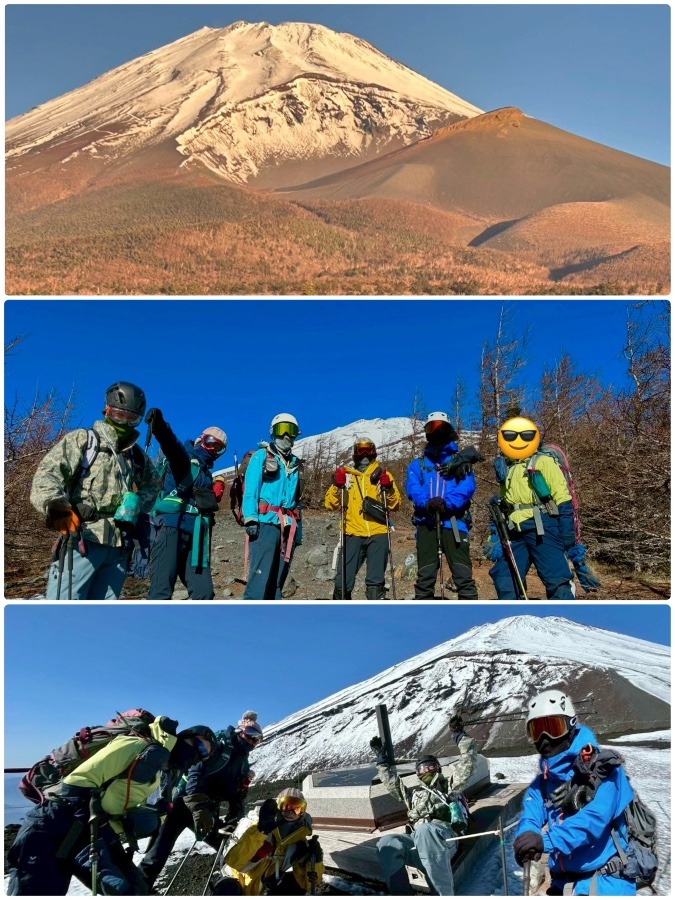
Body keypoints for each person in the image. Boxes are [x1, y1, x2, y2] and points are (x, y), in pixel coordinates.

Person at [7, 718, 215, 896]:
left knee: (134, 890)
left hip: (94, 831)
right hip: (53, 825)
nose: (197, 754)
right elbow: (77, 782)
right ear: (184, 737)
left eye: (203, 754)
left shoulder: (164, 773)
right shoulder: (138, 746)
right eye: (197, 745)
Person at [30, 381, 159, 600]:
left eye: (132, 419)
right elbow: (47, 475)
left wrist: (138, 501)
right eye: (119, 415)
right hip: (82, 540)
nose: (125, 423)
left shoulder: (135, 455)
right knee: (63, 607)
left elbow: (154, 484)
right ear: (107, 410)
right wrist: (55, 505)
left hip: (120, 547)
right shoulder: (83, 440)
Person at [514, 688, 636, 896]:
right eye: (537, 731)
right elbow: (531, 813)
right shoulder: (543, 783)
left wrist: (546, 841)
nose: (545, 739)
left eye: (553, 727)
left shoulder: (604, 770)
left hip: (606, 881)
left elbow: (594, 819)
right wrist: (526, 835)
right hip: (562, 884)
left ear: (571, 726)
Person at [139, 712, 263, 891]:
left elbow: (236, 792)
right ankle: (137, 889)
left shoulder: (242, 762)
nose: (252, 740)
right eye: (250, 733)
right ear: (240, 730)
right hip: (185, 803)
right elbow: (195, 774)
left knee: (224, 846)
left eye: (257, 738)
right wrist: (199, 809)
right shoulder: (220, 746)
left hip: (206, 808)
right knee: (160, 850)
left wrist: (234, 814)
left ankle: (230, 887)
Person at [487, 416, 575, 599]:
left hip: (542, 527)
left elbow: (562, 497)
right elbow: (506, 502)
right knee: (505, 577)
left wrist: (566, 533)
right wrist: (495, 532)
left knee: (556, 578)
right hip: (513, 530)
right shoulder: (508, 469)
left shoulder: (543, 462)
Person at [144, 407, 227, 600]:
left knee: (204, 593)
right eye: (210, 442)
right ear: (201, 439)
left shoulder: (206, 472)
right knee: (161, 592)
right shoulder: (186, 457)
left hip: (197, 536)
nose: (213, 449)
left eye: (219, 447)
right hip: (172, 527)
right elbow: (171, 446)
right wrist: (160, 427)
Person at [370, 737, 464, 895]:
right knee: (387, 843)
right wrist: (381, 760)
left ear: (438, 768)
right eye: (423, 768)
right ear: (418, 773)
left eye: (431, 766)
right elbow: (392, 782)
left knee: (426, 830)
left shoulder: (450, 788)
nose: (427, 770)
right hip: (417, 842)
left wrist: (460, 736)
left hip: (445, 841)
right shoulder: (413, 795)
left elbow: (467, 765)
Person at [405, 412, 481, 599]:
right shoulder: (418, 464)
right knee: (425, 576)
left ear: (449, 431)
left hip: (455, 522)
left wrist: (447, 503)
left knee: (463, 575)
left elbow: (467, 488)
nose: (436, 432)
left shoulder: (461, 462)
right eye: (431, 427)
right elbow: (413, 488)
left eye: (441, 427)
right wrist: (428, 503)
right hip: (427, 522)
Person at [324, 437, 401, 599]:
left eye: (369, 450)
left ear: (374, 452)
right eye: (360, 450)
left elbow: (395, 504)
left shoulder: (383, 474)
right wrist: (338, 486)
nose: (365, 455)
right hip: (352, 532)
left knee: (375, 581)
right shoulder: (347, 475)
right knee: (343, 581)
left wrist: (389, 488)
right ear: (354, 454)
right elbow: (330, 504)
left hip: (378, 531)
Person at [212, 788, 324, 895]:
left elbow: (308, 884)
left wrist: (315, 861)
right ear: (278, 806)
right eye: (286, 806)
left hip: (264, 885)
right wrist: (260, 831)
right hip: (237, 880)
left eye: (296, 808)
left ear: (302, 812)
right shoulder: (256, 824)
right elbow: (235, 862)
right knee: (228, 890)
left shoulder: (298, 838)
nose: (291, 812)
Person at [242, 414, 303, 600]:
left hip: (287, 527)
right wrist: (250, 518)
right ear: (272, 432)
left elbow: (296, 502)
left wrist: (298, 531)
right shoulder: (261, 456)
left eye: (291, 430)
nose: (286, 435)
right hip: (265, 524)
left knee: (277, 582)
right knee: (259, 578)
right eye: (281, 428)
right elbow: (251, 489)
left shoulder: (294, 464)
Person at [448, 715, 478, 793]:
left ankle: (454, 793)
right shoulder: (461, 738)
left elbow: (468, 765)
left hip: (455, 791)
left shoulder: (463, 740)